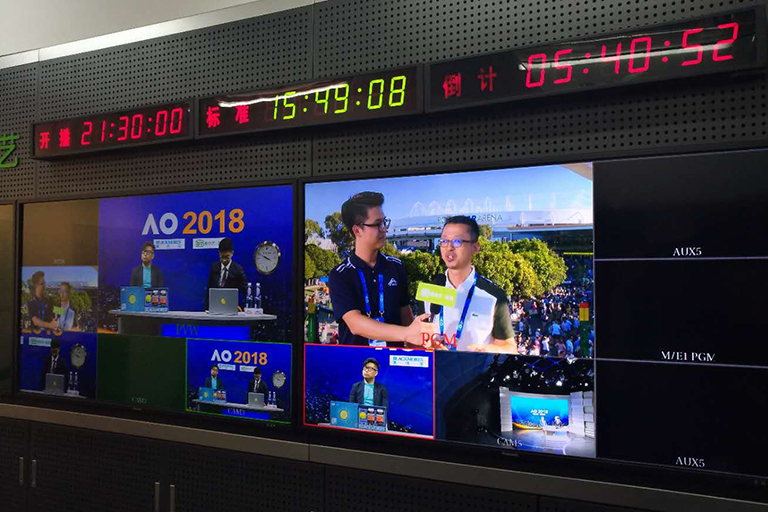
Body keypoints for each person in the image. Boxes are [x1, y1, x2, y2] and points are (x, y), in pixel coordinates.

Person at [328, 192, 429, 346]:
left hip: (393, 359)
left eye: (384, 222)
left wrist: (420, 349)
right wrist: (406, 334)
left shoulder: (396, 267)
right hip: (355, 359)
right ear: (357, 230)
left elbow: (407, 319)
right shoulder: (340, 274)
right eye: (377, 224)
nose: (384, 229)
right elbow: (355, 324)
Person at [420, 216, 516, 352]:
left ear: (475, 247)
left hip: (477, 366)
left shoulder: (493, 296)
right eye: (444, 241)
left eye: (457, 241)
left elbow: (510, 348)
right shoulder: (429, 292)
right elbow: (414, 343)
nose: (449, 247)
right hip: (437, 365)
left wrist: (485, 350)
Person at [205, 237, 247, 310]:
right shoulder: (214, 268)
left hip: (232, 307)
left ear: (232, 253)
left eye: (227, 257)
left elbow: (245, 292)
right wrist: (206, 308)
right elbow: (209, 290)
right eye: (222, 257)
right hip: (215, 307)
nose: (224, 260)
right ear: (219, 253)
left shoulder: (238, 270)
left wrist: (243, 308)